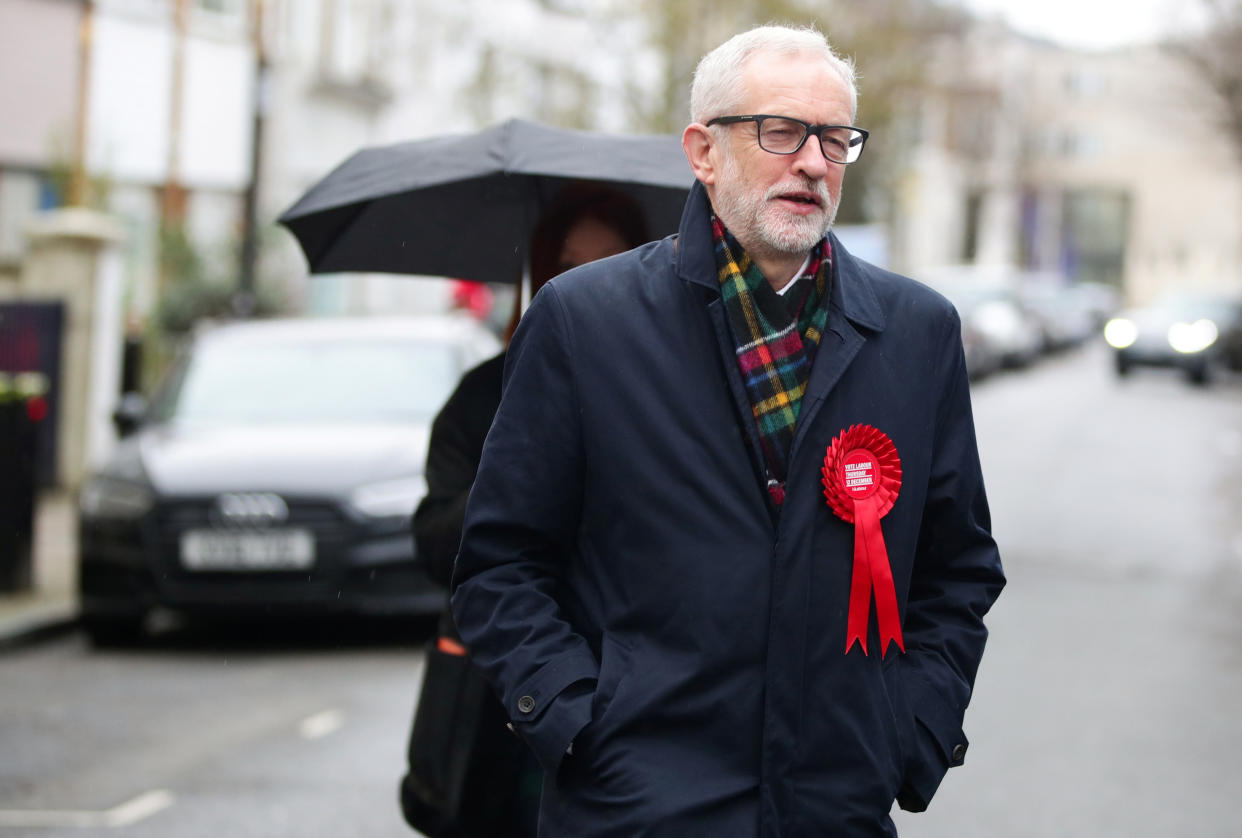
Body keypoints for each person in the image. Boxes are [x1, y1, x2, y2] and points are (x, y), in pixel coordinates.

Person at [450, 24, 1005, 838]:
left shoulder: (916, 332)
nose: (813, 162)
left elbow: (956, 571)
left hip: (835, 811)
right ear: (703, 151)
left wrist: (909, 733)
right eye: (780, 132)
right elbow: (500, 564)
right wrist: (575, 723)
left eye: (834, 140)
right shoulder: (583, 320)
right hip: (633, 811)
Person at [409, 184, 650, 837]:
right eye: (568, 264)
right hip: (495, 703)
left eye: (609, 261)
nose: (585, 283)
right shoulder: (486, 396)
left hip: (624, 703)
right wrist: (522, 464)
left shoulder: (669, 395)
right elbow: (437, 543)